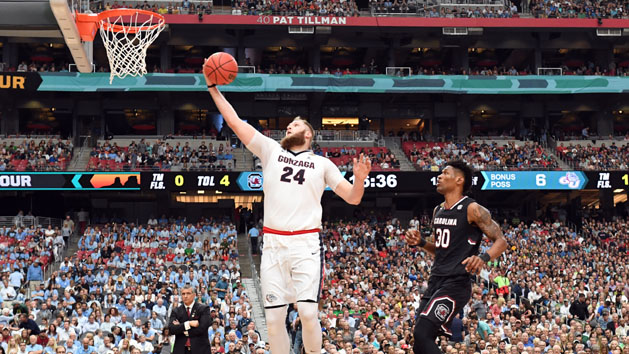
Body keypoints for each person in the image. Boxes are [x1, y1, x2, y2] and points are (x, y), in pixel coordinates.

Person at [206, 75, 371, 354]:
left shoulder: (322, 164)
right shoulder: (270, 150)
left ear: (308, 134)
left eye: (295, 124)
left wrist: (359, 179)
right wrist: (213, 90)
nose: (288, 126)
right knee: (272, 321)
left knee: (307, 313)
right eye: (288, 124)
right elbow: (234, 122)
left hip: (306, 243)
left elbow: (353, 198)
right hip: (272, 245)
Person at [405, 160, 508, 354]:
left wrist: (483, 258)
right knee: (419, 342)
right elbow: (441, 250)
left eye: (445, 173)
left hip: (456, 283)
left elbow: (501, 241)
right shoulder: (438, 210)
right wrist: (421, 243)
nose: (439, 176)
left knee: (422, 333)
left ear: (459, 180)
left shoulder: (472, 208)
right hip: (436, 280)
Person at [167, 285, 211, 354]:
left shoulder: (204, 309)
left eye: (188, 293)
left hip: (200, 349)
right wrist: (188, 324)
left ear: (194, 295)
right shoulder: (176, 311)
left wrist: (182, 329)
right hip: (181, 350)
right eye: (183, 294)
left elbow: (202, 328)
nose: (185, 296)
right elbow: (171, 329)